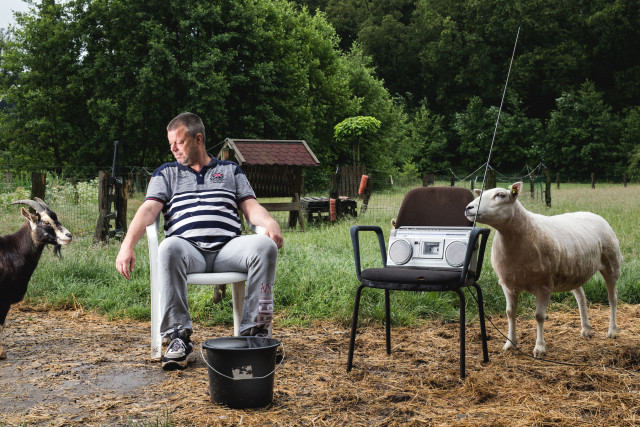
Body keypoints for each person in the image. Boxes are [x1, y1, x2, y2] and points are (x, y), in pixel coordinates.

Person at [115, 112, 283, 370]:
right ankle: (178, 338)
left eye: (178, 142)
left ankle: (256, 334)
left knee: (265, 246)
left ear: (198, 139)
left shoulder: (230, 170)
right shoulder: (166, 173)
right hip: (188, 251)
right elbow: (148, 210)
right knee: (168, 246)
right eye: (170, 143)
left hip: (229, 249)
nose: (173, 149)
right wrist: (128, 244)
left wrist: (269, 222)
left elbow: (250, 207)